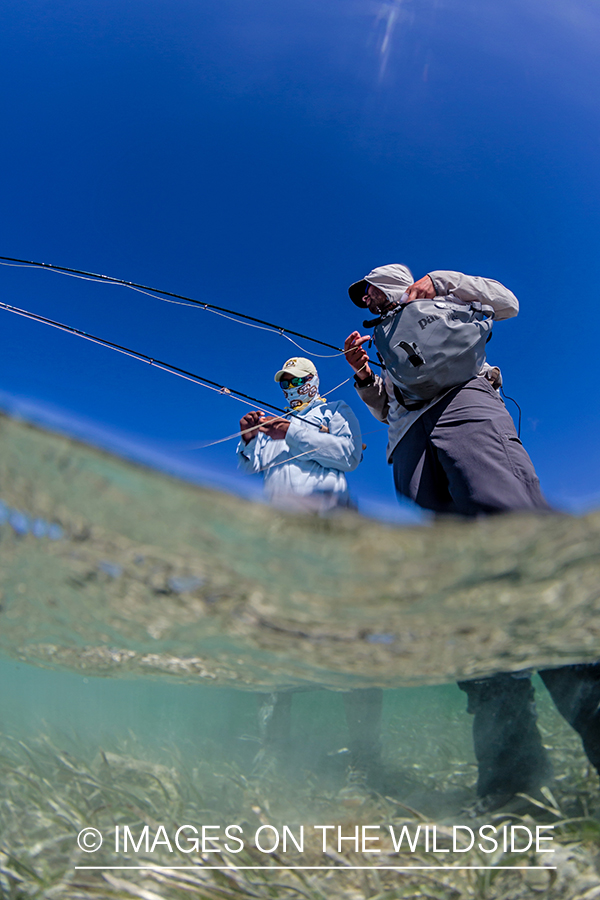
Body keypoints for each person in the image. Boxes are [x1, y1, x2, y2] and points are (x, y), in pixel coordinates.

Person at [343, 265, 569, 812]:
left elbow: (509, 300)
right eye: (364, 295)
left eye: (371, 288)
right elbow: (386, 409)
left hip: (466, 403)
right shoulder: (386, 338)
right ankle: (510, 782)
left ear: (395, 281)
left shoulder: (440, 294)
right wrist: (365, 376)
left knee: (516, 541)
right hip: (408, 442)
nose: (367, 298)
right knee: (461, 590)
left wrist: (440, 283)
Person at [237, 357, 383, 793]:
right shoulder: (273, 425)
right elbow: (252, 465)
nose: (290, 387)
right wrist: (248, 439)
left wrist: (293, 431)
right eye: (285, 382)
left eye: (298, 380)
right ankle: (272, 751)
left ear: (313, 380)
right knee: (276, 645)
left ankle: (364, 757)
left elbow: (348, 456)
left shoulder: (335, 411)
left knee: (349, 646)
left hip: (329, 532)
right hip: (280, 543)